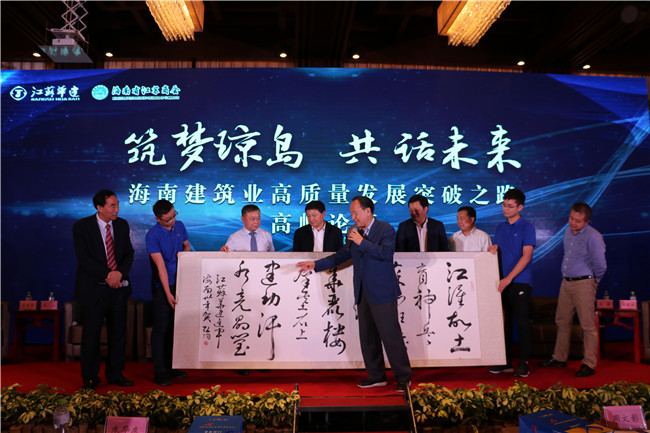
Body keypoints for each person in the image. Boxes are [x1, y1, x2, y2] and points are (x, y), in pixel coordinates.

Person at [297, 196, 412, 393]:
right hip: (362, 290)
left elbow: (386, 254)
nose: (353, 217)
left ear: (368, 211)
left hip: (383, 291)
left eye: (355, 213)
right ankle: (376, 376)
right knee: (368, 336)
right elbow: (342, 255)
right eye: (351, 214)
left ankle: (403, 378)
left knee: (390, 335)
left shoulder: (385, 229)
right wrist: (315, 264)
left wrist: (362, 241)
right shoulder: (353, 231)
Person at [73, 189, 134, 389]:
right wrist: (109, 275)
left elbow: (128, 254)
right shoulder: (82, 226)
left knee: (118, 333)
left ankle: (115, 374)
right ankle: (90, 377)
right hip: (94, 290)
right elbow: (84, 258)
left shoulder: (122, 225)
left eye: (117, 205)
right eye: (112, 205)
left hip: (118, 289)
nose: (117, 209)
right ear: (99, 207)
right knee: (91, 335)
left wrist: (119, 274)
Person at [539, 202, 606, 377]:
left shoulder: (594, 236)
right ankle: (559, 357)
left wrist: (595, 281)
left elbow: (601, 264)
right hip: (566, 283)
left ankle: (589, 363)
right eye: (571, 218)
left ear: (587, 221)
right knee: (562, 321)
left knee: (587, 325)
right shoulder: (568, 232)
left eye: (578, 221)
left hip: (584, 284)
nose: (573, 223)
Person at [487, 188, 536, 378]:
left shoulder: (527, 227)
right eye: (504, 205)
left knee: (522, 323)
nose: (505, 209)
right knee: (504, 323)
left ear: (520, 207)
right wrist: (493, 248)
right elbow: (500, 249)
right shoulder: (500, 227)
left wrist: (509, 278)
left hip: (519, 281)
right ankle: (505, 361)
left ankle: (524, 363)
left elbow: (526, 256)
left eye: (510, 206)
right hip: (502, 282)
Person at [146, 199, 191, 386]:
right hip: (163, 285)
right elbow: (160, 267)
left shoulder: (179, 225)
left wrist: (184, 255)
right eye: (167, 219)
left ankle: (172, 366)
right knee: (161, 327)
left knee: (175, 327)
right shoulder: (152, 235)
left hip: (180, 282)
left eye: (174, 216)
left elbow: (187, 246)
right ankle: (160, 371)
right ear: (158, 219)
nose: (172, 221)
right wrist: (168, 293)